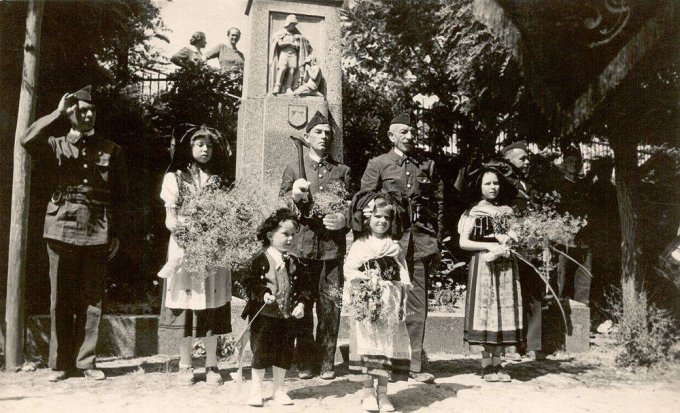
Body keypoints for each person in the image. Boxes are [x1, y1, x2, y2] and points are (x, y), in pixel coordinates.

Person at [21, 86, 129, 382]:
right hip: (60, 227)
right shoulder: (56, 144)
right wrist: (56, 113)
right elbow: (27, 139)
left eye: (92, 110)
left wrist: (116, 233)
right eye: (81, 110)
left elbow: (121, 196)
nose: (88, 114)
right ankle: (59, 364)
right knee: (61, 298)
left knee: (92, 300)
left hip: (97, 230)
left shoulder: (110, 149)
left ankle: (86, 362)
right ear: (71, 114)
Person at [360, 111, 444, 383]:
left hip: (419, 243)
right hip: (389, 243)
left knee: (417, 304)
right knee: (385, 302)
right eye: (403, 132)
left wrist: (436, 237)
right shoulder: (379, 164)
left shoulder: (425, 165)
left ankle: (415, 366)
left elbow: (438, 205)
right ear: (391, 136)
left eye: (412, 132)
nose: (409, 136)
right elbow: (363, 201)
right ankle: (385, 364)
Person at [280, 111, 353, 379]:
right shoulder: (294, 169)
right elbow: (280, 208)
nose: (324, 136)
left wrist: (343, 219)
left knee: (330, 307)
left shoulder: (342, 171)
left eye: (328, 133)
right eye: (319, 132)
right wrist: (294, 196)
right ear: (308, 137)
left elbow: (354, 208)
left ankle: (325, 362)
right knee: (301, 305)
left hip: (332, 249)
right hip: (302, 248)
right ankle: (305, 361)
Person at [157, 126, 232, 386]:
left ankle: (212, 364)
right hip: (184, 246)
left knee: (212, 303)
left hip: (213, 248)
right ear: (188, 148)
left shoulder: (220, 180)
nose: (204, 149)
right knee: (186, 306)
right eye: (199, 144)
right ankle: (185, 364)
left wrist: (216, 234)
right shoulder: (175, 179)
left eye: (209, 145)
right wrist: (186, 233)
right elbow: (170, 219)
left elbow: (228, 215)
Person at [345, 193, 412, 412]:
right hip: (367, 301)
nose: (381, 221)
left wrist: (401, 298)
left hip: (388, 301)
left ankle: (383, 393)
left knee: (387, 345)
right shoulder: (360, 245)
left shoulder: (395, 247)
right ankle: (367, 393)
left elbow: (403, 274)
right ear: (367, 219)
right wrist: (366, 280)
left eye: (386, 218)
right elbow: (349, 270)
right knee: (368, 344)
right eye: (377, 217)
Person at [241, 209, 312, 407]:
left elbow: (305, 288)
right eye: (285, 234)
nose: (289, 239)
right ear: (270, 235)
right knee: (261, 352)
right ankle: (256, 390)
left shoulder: (295, 263)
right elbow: (248, 282)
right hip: (264, 316)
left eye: (292, 235)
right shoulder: (259, 260)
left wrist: (301, 303)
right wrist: (262, 292)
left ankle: (279, 390)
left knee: (284, 352)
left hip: (287, 316)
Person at [459, 166, 523, 382]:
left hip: (505, 265)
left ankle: (499, 364)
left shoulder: (507, 211)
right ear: (479, 187)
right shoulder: (474, 212)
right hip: (484, 264)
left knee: (503, 311)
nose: (493, 187)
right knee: (486, 309)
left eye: (495, 183)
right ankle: (487, 364)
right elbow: (463, 242)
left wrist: (510, 241)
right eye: (487, 183)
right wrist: (488, 246)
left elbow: (517, 236)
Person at [500, 140, 545, 361]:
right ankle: (512, 345)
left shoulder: (532, 184)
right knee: (510, 293)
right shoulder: (501, 183)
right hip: (511, 246)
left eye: (528, 158)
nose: (527, 162)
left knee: (534, 293)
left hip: (531, 245)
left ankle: (533, 345)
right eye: (522, 158)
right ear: (508, 159)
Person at [554, 145, 592, 305]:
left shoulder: (587, 186)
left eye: (578, 161)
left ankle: (581, 320)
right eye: (570, 161)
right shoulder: (558, 186)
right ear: (564, 162)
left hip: (584, 241)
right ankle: (561, 319)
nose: (574, 164)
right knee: (563, 281)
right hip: (565, 241)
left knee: (584, 281)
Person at [270, 14, 313, 94]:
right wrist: (290, 43)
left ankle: (288, 87)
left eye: (294, 25)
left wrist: (300, 42)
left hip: (293, 55)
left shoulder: (295, 35)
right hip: (284, 54)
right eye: (292, 24)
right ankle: (277, 86)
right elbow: (280, 44)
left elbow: (304, 44)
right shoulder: (281, 33)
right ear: (288, 24)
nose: (293, 26)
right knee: (282, 68)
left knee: (292, 71)